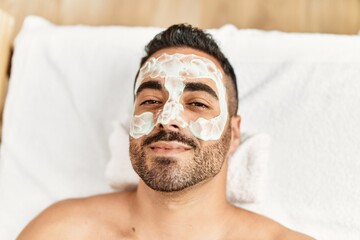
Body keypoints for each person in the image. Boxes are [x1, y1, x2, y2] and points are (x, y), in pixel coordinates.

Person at [18, 24, 313, 240]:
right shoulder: (61, 232)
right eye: (150, 101)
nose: (167, 118)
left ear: (234, 133)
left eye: (197, 103)